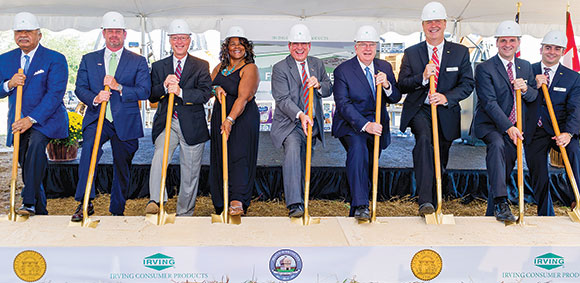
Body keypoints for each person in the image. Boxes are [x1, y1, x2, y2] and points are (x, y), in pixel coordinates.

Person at [72, 11, 151, 221]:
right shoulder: (89, 60)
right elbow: (79, 88)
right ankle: (84, 202)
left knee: (122, 165)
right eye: (110, 31)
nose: (113, 35)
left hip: (125, 121)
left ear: (124, 34)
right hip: (98, 118)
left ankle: (117, 209)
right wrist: (96, 98)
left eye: (118, 31)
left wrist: (119, 87)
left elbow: (145, 91)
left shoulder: (138, 61)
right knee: (88, 152)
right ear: (104, 33)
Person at [398, 1, 475, 216]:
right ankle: (425, 201)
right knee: (424, 141)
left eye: (437, 21)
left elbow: (468, 84)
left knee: (440, 154)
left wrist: (446, 97)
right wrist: (422, 77)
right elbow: (402, 84)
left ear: (444, 24)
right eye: (429, 22)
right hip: (420, 110)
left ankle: (435, 192)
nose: (433, 25)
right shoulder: (412, 53)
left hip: (446, 111)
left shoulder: (460, 52)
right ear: (423, 25)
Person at [0, 12, 68, 216]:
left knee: (37, 145)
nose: (23, 35)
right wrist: (8, 84)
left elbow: (54, 94)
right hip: (18, 121)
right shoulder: (5, 59)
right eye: (19, 32)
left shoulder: (55, 59)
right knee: (29, 165)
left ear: (39, 35)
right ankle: (39, 210)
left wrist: (31, 120)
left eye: (28, 32)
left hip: (45, 120)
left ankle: (27, 201)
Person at [332, 25, 402, 220]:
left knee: (369, 164)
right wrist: (365, 125)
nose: (368, 48)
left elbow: (395, 97)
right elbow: (343, 104)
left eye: (371, 44)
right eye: (363, 44)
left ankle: (355, 203)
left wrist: (387, 85)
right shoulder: (343, 71)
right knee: (358, 149)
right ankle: (361, 205)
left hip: (378, 127)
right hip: (351, 125)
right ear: (356, 47)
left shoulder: (384, 67)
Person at [472, 20, 537, 222]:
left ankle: (494, 212)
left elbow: (534, 96)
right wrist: (508, 127)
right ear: (497, 43)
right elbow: (489, 102)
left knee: (502, 169)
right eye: (503, 41)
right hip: (491, 125)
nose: (507, 44)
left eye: (511, 40)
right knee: (497, 145)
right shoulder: (485, 68)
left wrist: (525, 89)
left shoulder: (525, 66)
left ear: (518, 43)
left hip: (515, 128)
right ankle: (501, 201)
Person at [145, 19, 212, 216]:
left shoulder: (201, 65)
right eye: (175, 38)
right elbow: (152, 95)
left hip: (192, 124)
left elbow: (205, 93)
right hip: (167, 122)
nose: (179, 41)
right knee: (159, 157)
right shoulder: (159, 66)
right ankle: (156, 200)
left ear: (189, 40)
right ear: (170, 41)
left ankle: (184, 213)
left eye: (183, 38)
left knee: (190, 172)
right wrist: (164, 87)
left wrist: (181, 92)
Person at [270, 24, 333, 218]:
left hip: (311, 124)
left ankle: (302, 196)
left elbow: (328, 89)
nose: (300, 47)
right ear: (289, 46)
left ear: (310, 45)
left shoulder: (317, 64)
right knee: (293, 153)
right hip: (291, 124)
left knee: (305, 162)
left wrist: (319, 85)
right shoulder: (280, 68)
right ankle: (295, 204)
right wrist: (300, 115)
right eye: (296, 44)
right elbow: (282, 100)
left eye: (303, 44)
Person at [525, 30, 580, 216]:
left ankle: (577, 199)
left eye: (557, 49)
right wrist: (533, 84)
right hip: (535, 130)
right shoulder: (527, 70)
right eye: (548, 47)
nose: (552, 52)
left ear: (563, 52)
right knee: (538, 172)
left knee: (574, 152)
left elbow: (576, 109)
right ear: (541, 49)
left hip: (561, 130)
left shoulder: (573, 77)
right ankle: (545, 213)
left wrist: (569, 134)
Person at [209, 26, 260, 216]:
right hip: (219, 115)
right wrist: (216, 90)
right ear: (226, 47)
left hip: (242, 117)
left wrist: (230, 119)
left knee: (239, 155)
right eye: (232, 44)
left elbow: (244, 97)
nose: (236, 47)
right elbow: (206, 86)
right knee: (220, 155)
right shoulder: (220, 67)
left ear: (247, 47)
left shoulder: (250, 68)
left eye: (240, 44)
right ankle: (221, 200)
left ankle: (238, 200)